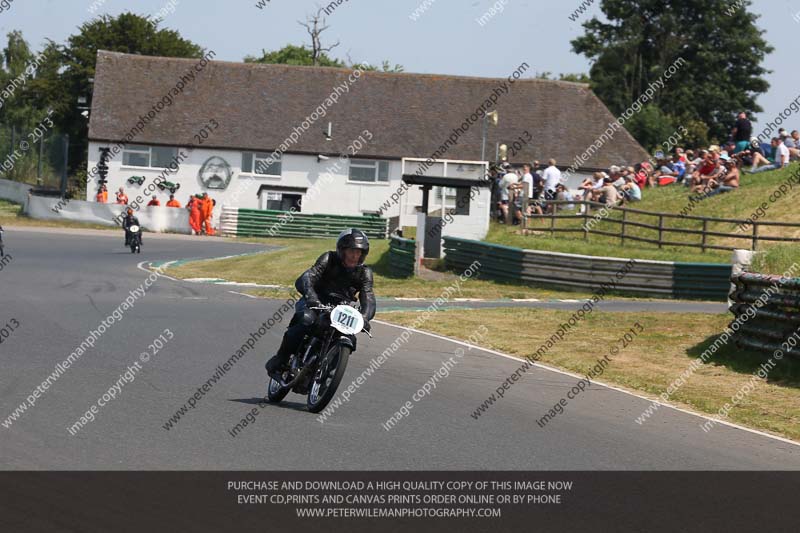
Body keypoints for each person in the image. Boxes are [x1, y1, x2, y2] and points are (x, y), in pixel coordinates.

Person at [265, 229, 376, 381]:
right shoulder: (329, 258)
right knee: (305, 319)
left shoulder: (365, 272)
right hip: (316, 300)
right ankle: (280, 360)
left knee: (350, 337)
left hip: (340, 308)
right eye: (351, 251)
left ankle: (327, 372)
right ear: (342, 250)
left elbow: (368, 296)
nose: (354, 256)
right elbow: (309, 276)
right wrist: (312, 298)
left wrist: (365, 317)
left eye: (359, 252)